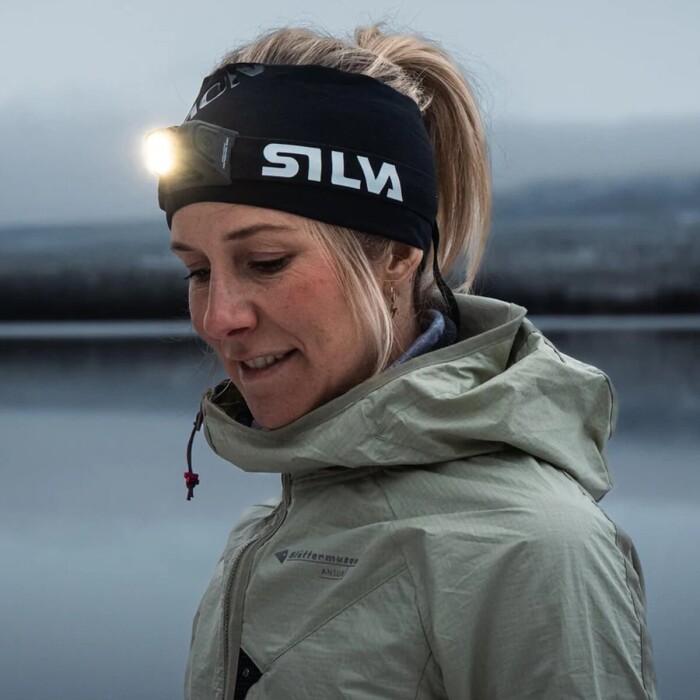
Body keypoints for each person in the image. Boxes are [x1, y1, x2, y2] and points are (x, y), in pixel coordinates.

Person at [148, 25, 657, 700]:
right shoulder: (270, 527)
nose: (218, 319)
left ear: (396, 254)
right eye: (198, 271)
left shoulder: (530, 548)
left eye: (266, 262)